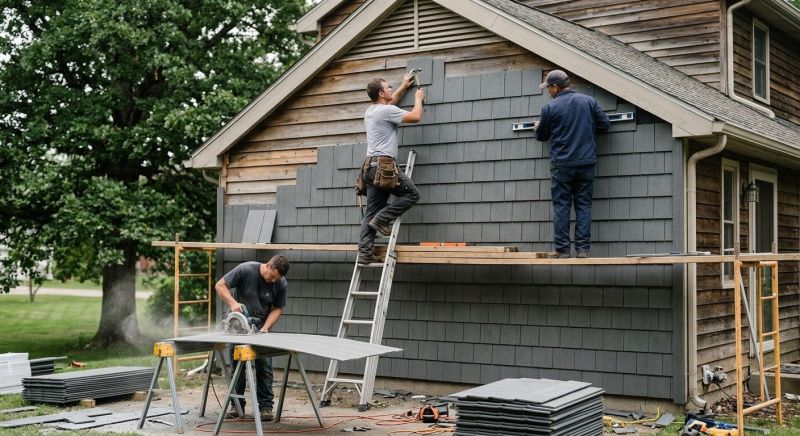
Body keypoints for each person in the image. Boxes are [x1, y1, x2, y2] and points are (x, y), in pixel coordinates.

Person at [534, 70, 610, 258]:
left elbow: (542, 136)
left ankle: (563, 250)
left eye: (548, 88)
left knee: (562, 206)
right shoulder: (589, 102)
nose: (548, 92)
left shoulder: (550, 108)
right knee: (584, 205)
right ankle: (582, 250)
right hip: (586, 163)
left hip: (563, 165)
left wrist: (538, 126)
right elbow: (605, 125)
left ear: (555, 87)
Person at [357, 73, 424, 265]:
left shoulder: (371, 111)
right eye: (388, 88)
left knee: (370, 213)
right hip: (384, 167)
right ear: (380, 93)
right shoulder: (386, 111)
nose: (391, 90)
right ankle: (382, 219)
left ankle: (364, 253)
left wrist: (403, 87)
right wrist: (418, 99)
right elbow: (415, 116)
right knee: (412, 194)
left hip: (369, 168)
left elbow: (391, 103)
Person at [214, 255, 290, 421]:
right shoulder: (245, 269)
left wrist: (265, 328)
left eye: (278, 278)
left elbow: (277, 309)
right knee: (238, 367)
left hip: (260, 326)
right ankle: (237, 406)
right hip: (239, 327)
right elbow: (220, 286)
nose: (274, 281)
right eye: (273, 276)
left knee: (264, 367)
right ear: (268, 266)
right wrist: (233, 303)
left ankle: (265, 408)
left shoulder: (280, 282)